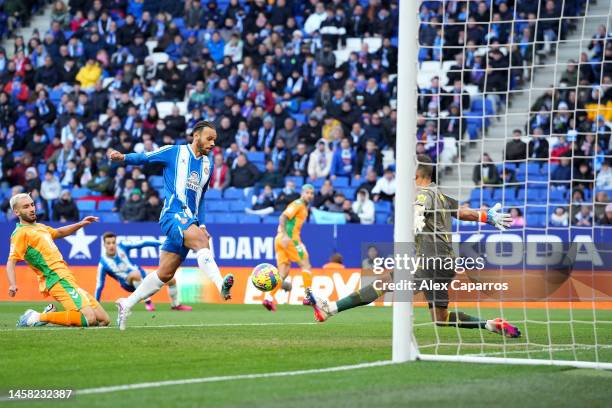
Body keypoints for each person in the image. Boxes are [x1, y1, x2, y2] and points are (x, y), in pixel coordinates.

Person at [312, 156, 521, 338]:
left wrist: (418, 216)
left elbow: (420, 205)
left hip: (430, 261)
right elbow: (463, 212)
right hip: (446, 264)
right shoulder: (441, 195)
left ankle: (330, 309)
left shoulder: (424, 193)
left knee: (382, 283)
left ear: (418, 173)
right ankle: (490, 324)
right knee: (441, 318)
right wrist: (487, 217)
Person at [107, 120, 235, 330]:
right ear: (196, 135)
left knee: (165, 274)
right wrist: (123, 157)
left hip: (189, 221)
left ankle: (126, 303)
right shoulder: (174, 152)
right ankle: (221, 285)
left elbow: (201, 199)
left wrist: (201, 225)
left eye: (215, 140)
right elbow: (146, 158)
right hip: (172, 214)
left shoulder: (207, 165)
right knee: (203, 242)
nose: (213, 144)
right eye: (209, 138)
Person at [7, 193, 110, 328]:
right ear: (16, 211)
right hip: (55, 278)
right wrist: (12, 284)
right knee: (89, 318)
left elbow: (59, 232)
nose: (32, 209)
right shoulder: (20, 234)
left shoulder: (40, 227)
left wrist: (82, 223)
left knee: (103, 320)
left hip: (67, 277)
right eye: (26, 207)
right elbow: (11, 261)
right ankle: (35, 317)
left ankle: (45, 315)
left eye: (32, 205)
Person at [97, 232, 191, 312]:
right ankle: (148, 302)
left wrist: (161, 243)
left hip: (140, 272)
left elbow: (142, 243)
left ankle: (175, 305)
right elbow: (99, 284)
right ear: (104, 245)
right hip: (128, 283)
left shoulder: (122, 247)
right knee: (135, 274)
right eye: (108, 243)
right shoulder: (103, 263)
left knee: (171, 279)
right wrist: (96, 304)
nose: (111, 245)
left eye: (113, 242)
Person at [263, 184, 317, 313]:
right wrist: (286, 236)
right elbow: (283, 217)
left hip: (279, 239)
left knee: (283, 273)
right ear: (302, 193)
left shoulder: (304, 207)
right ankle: (308, 296)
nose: (309, 195)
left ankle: (268, 298)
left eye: (311, 193)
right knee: (306, 265)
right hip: (290, 239)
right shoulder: (298, 204)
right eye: (307, 192)